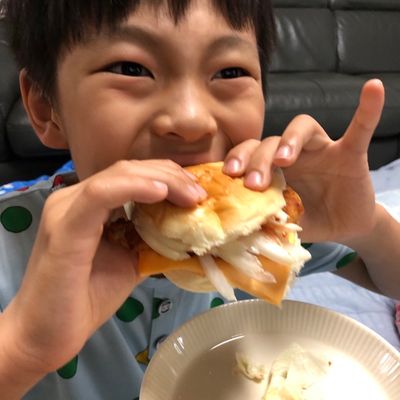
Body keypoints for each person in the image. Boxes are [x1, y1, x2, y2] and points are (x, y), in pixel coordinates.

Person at [0, 1, 399, 399]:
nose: (192, 120)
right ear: (45, 107)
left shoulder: (263, 228)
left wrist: (368, 227)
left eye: (230, 72)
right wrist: (22, 349)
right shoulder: (11, 244)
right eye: (130, 69)